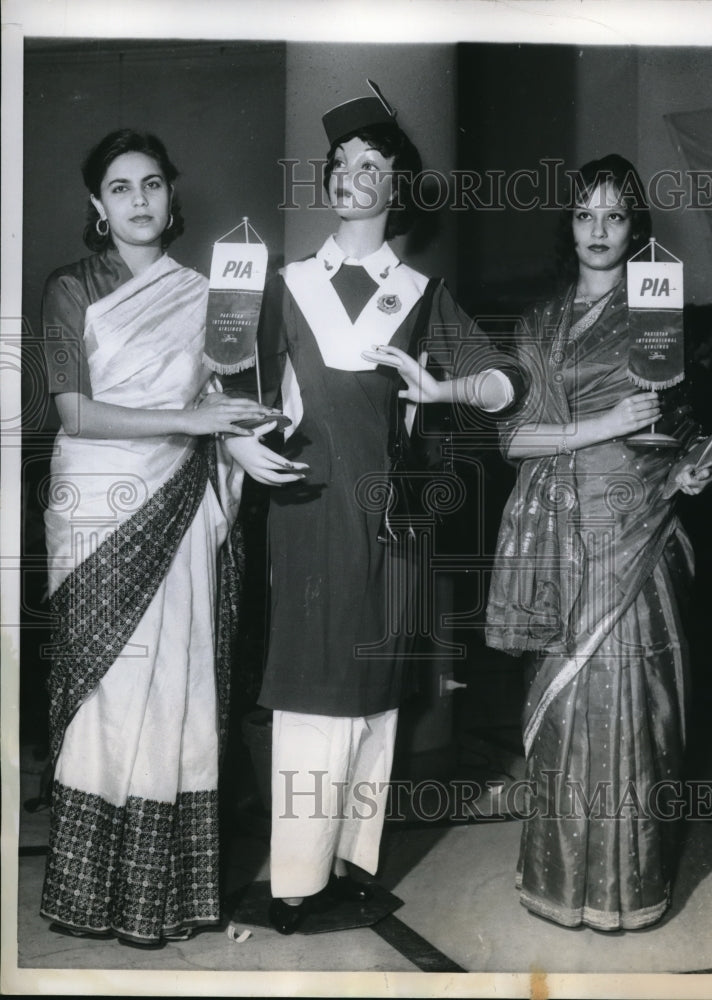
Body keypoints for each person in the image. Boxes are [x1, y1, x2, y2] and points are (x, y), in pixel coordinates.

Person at [227, 84, 528, 934]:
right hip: (309, 506)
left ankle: (351, 868)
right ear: (327, 185)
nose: (357, 176)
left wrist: (447, 385)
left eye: (376, 165)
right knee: (313, 687)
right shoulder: (282, 285)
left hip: (390, 517)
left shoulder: (421, 292)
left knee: (378, 695)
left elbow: (507, 381)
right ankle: (294, 881)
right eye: (345, 165)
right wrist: (236, 446)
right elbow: (228, 390)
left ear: (397, 189)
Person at [39, 129, 297, 947]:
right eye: (120, 188)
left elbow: (234, 396)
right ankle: (89, 892)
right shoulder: (69, 288)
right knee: (106, 689)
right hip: (95, 501)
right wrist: (195, 420)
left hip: (182, 501)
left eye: (152, 184)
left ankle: (167, 895)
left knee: (177, 682)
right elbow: (74, 411)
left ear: (170, 196)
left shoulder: (208, 293)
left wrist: (247, 436)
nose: (139, 200)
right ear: (96, 206)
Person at [483, 154, 712, 930]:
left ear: (634, 228)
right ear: (568, 224)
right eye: (584, 214)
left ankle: (626, 886)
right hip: (558, 532)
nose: (598, 230)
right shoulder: (537, 324)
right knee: (562, 703)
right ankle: (557, 881)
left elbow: (671, 424)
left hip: (635, 525)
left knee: (631, 699)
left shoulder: (657, 310)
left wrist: (690, 467)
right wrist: (601, 425)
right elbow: (511, 440)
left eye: (614, 216)